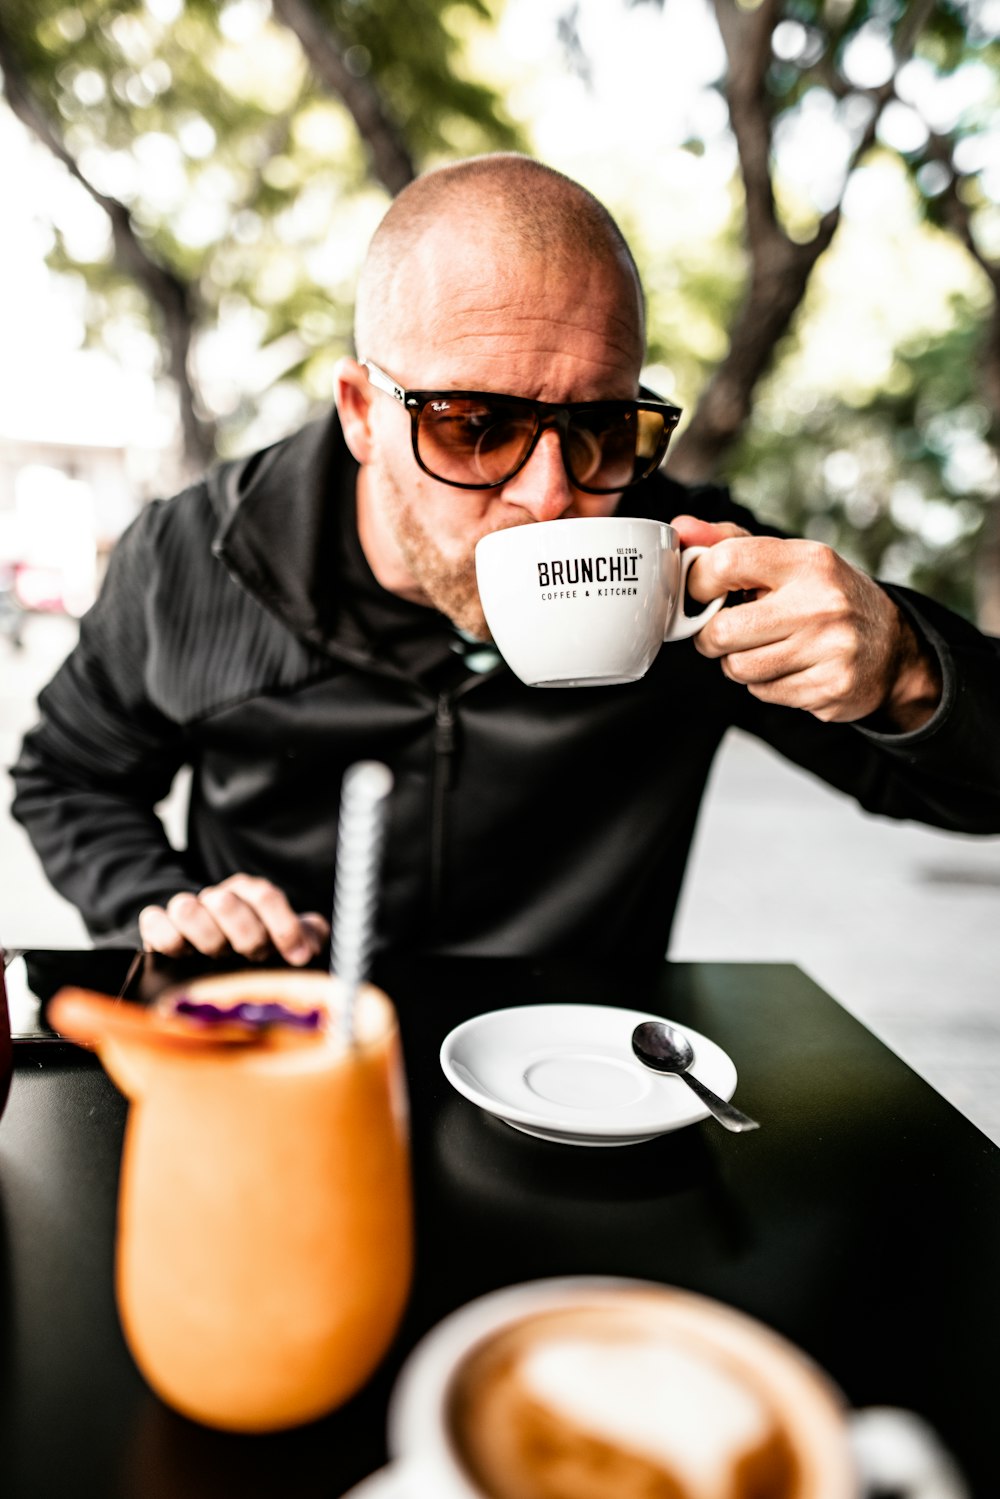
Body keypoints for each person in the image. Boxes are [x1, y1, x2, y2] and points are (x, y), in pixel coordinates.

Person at [11, 154, 1000, 976]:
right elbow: (65, 775)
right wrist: (163, 900)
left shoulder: (689, 566)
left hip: (587, 1093)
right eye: (474, 425)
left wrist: (908, 669)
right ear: (361, 413)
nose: (551, 495)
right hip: (287, 1066)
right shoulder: (197, 559)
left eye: (600, 427)